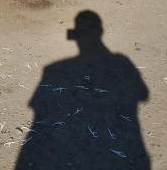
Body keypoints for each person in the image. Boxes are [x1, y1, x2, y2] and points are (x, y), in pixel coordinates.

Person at [16, 10, 150, 169]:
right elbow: (142, 93)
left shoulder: (54, 69)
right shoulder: (121, 62)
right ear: (100, 31)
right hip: (123, 146)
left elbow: (36, 106)